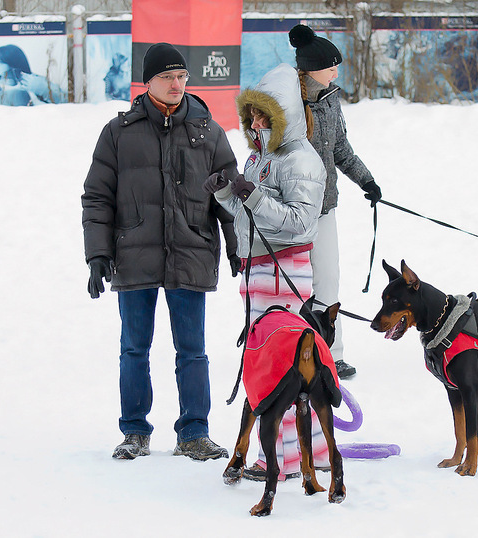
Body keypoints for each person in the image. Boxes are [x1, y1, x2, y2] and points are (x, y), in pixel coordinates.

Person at [82, 42, 240, 461]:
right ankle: (134, 430)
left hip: (191, 251)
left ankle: (194, 432)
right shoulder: (119, 133)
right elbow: (97, 197)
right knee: (134, 348)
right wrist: (98, 255)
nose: (177, 84)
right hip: (134, 254)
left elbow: (230, 196)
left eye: (182, 77)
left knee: (193, 349)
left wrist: (236, 245)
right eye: (168, 77)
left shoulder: (208, 130)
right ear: (147, 81)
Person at [203, 62, 327, 481]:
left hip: (284, 274)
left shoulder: (301, 160)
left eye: (263, 116)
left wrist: (253, 196)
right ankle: (315, 451)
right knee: (273, 363)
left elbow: (300, 222)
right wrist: (226, 192)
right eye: (251, 116)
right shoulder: (260, 157)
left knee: (280, 368)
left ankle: (284, 459)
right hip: (259, 272)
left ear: (284, 116)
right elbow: (249, 216)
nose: (254, 124)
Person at [288, 24, 383, 379]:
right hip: (292, 212)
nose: (335, 71)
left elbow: (339, 148)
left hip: (325, 209)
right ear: (310, 67)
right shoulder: (288, 104)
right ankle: (292, 348)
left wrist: (366, 180)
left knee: (327, 280)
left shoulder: (331, 99)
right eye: (330, 65)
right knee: (294, 285)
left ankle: (332, 353)